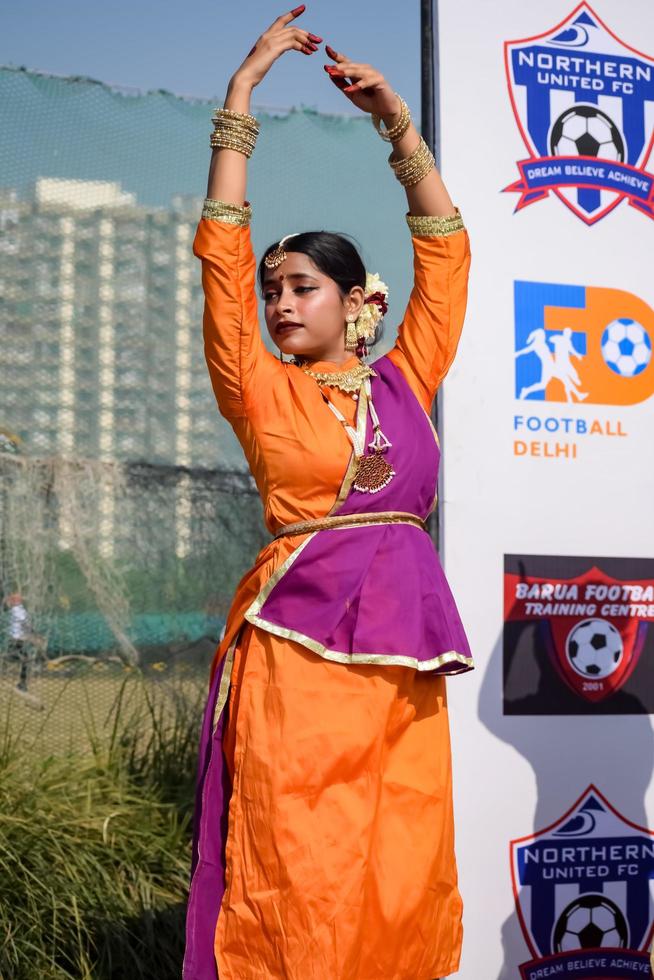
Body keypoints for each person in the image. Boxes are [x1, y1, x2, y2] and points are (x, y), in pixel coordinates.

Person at [184, 8, 473, 979]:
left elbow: (448, 250)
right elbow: (220, 264)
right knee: (300, 858)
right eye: (274, 289)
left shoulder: (406, 379)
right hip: (298, 657)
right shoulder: (259, 386)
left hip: (402, 653)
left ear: (358, 302)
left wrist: (396, 123)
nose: (277, 303)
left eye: (300, 286)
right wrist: (239, 100)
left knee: (398, 855)